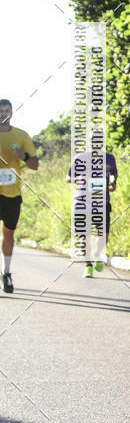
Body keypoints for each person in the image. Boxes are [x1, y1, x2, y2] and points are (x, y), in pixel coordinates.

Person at [0, 99, 39, 293]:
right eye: (0, 111)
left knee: (8, 233)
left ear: (12, 113)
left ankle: (6, 273)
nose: (3, 114)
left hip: (12, 193)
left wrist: (22, 156)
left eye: (7, 110)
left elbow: (35, 165)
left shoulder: (21, 136)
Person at [66, 150, 117, 277]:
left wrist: (113, 183)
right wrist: (80, 178)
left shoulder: (109, 158)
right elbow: (68, 177)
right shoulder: (80, 158)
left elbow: (113, 176)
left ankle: (98, 253)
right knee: (84, 236)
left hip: (102, 203)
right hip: (82, 203)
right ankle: (88, 266)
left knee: (104, 235)